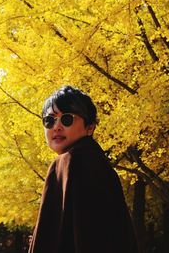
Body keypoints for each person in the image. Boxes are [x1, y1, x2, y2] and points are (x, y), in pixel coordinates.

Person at [28, 86, 138, 253]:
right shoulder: (97, 163)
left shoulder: (71, 163)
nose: (56, 127)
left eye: (67, 119)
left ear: (90, 127)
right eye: (49, 120)